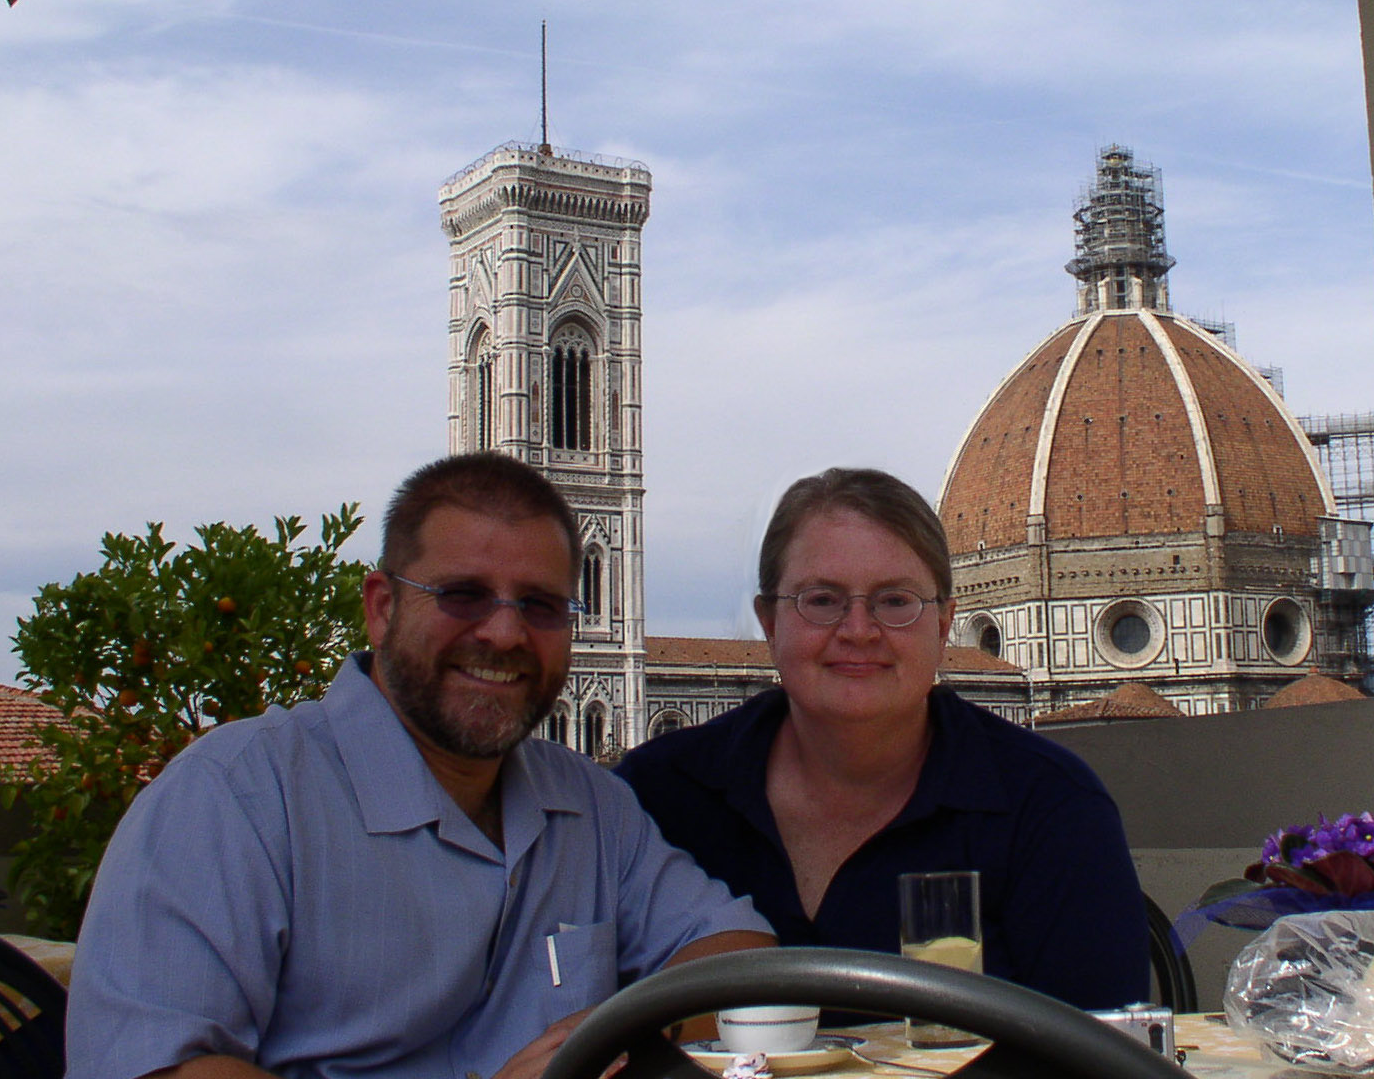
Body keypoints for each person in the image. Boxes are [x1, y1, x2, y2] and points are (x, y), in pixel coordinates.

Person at [66, 453, 774, 1079]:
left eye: (540, 603)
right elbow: (154, 1063)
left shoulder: (590, 805)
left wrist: (614, 1040)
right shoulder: (235, 797)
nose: (503, 632)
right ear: (381, 608)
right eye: (462, 594)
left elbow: (738, 956)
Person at [616, 466, 1148, 1012]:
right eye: (821, 600)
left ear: (944, 626)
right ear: (769, 623)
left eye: (895, 601)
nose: (859, 630)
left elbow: (1104, 1048)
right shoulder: (652, 799)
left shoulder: (1052, 807)